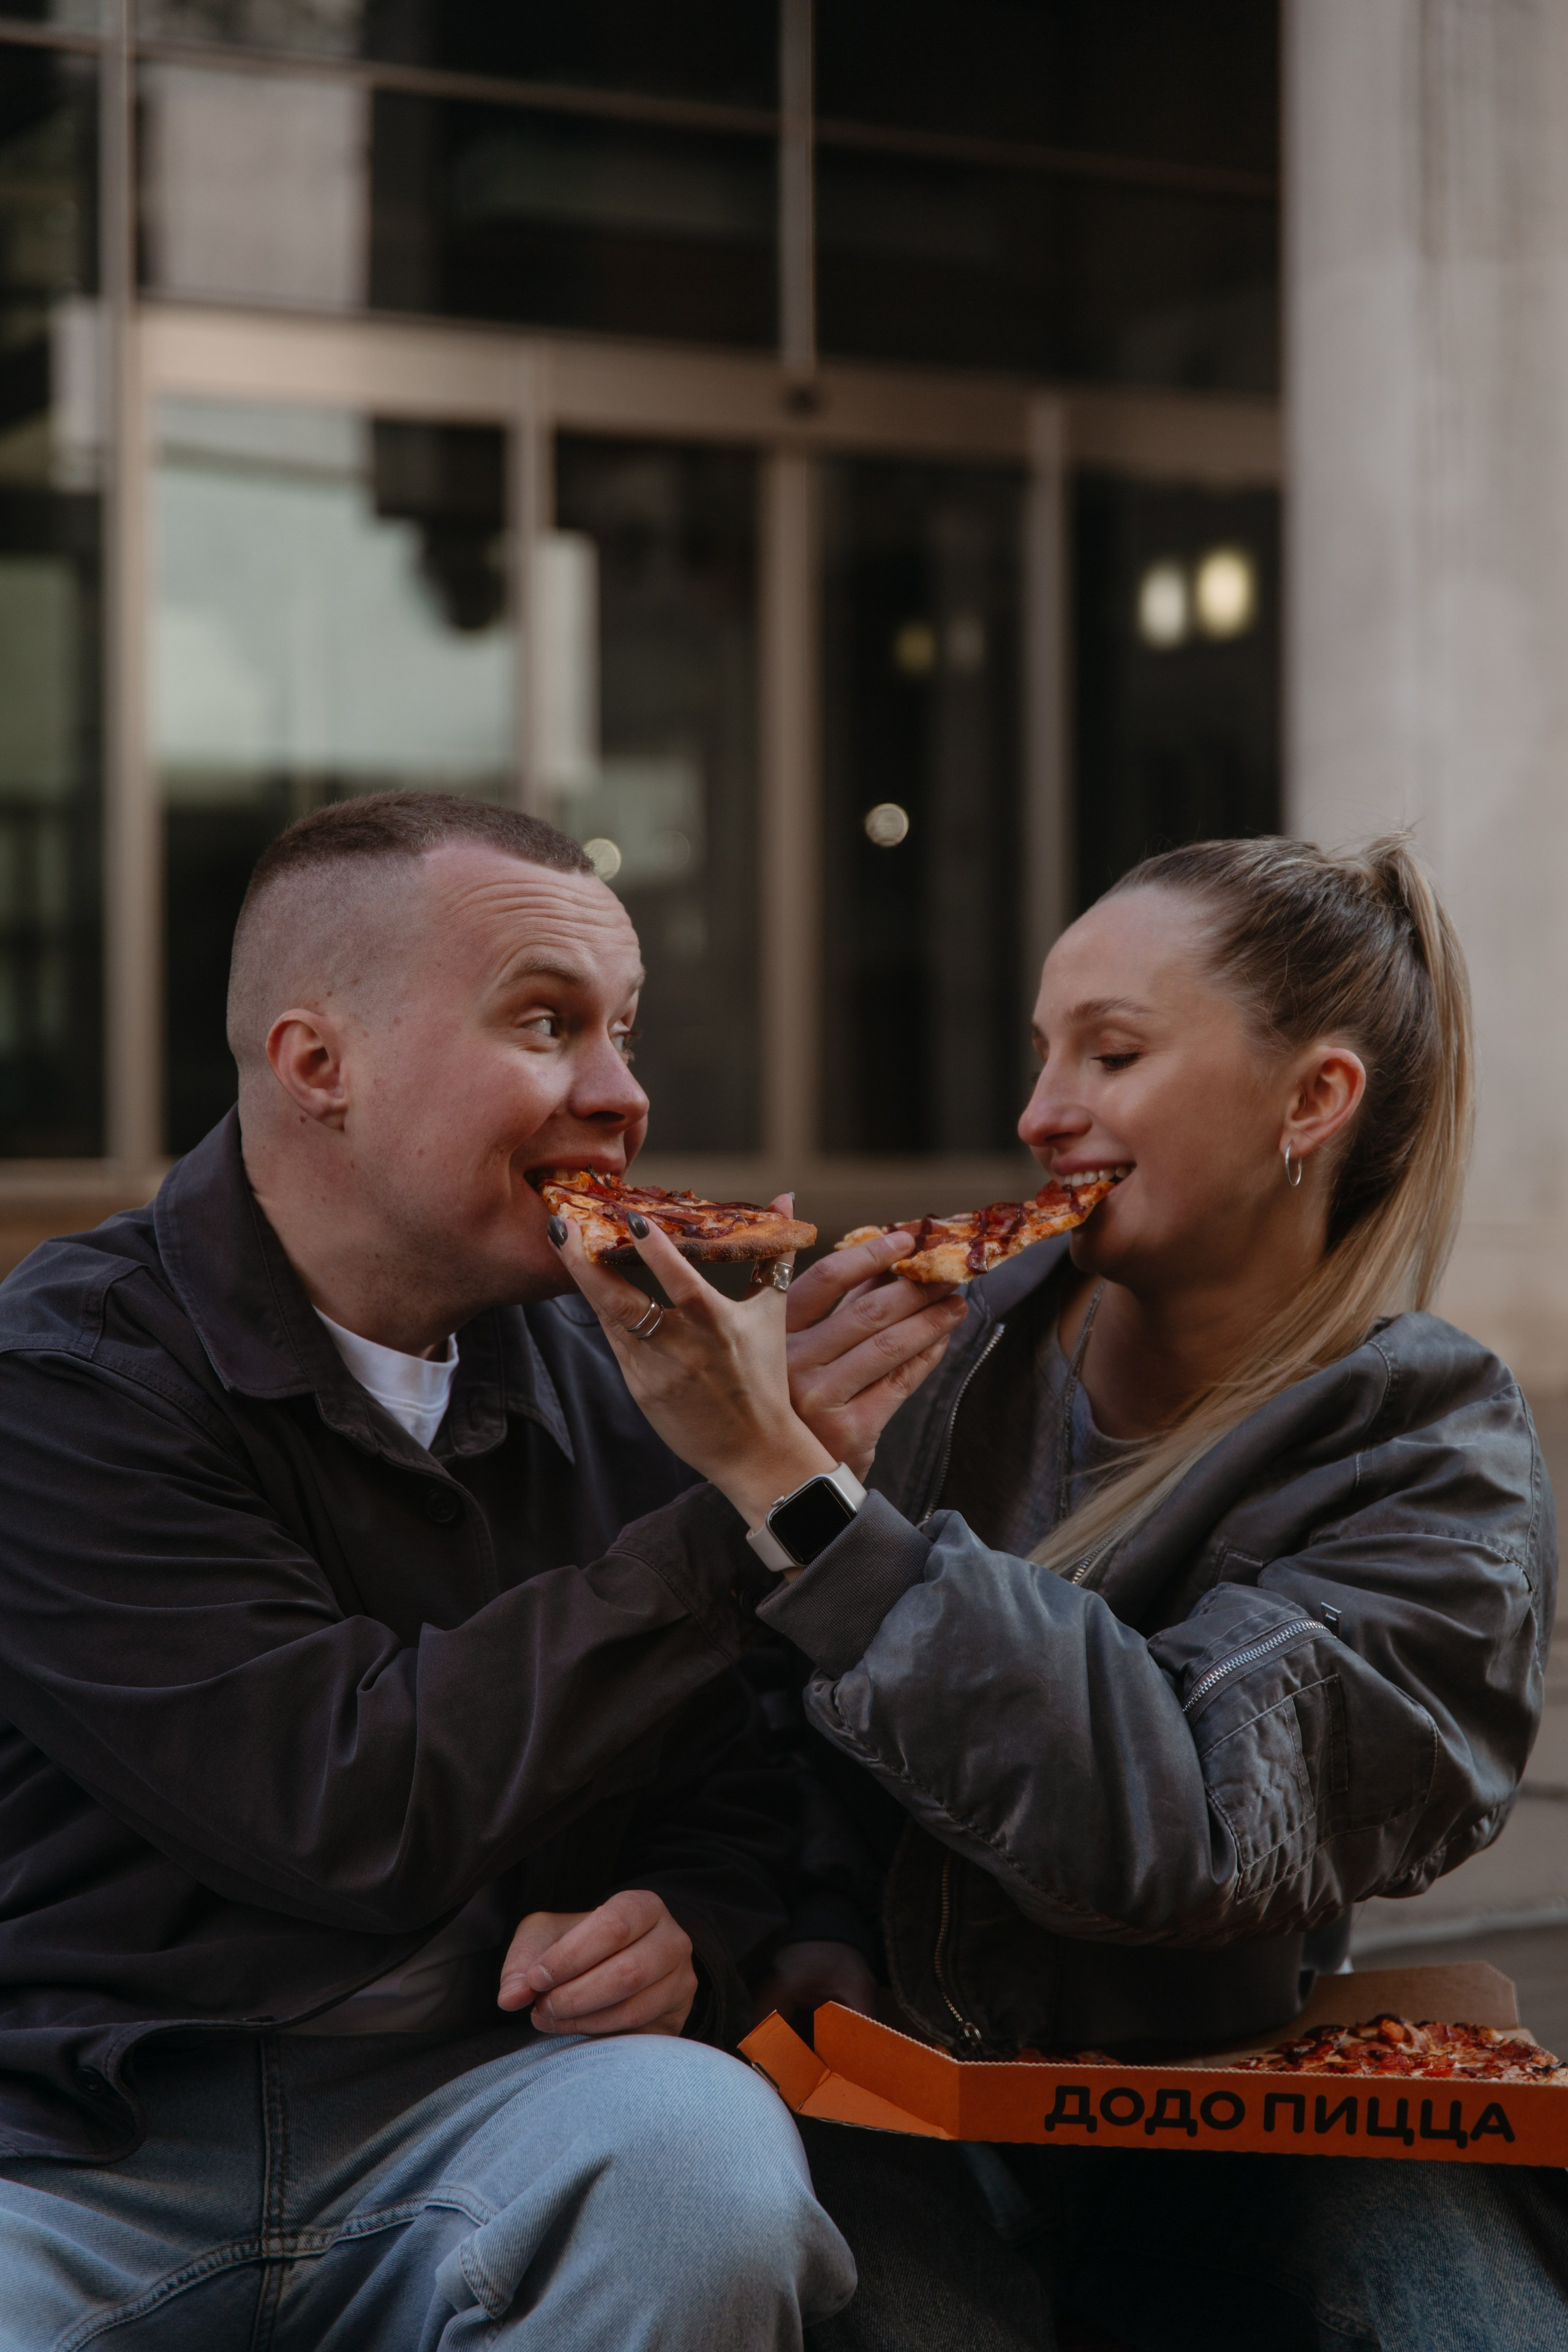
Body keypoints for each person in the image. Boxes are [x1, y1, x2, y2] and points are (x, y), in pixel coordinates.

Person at [549, 835, 1566, 2351]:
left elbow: (1194, 1824)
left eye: (1113, 1053)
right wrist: (785, 1908)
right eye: (1041, 1053)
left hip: (1228, 2112)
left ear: (1310, 1101)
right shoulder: (943, 1350)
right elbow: (740, 1713)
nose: (1039, 1113)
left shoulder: (1429, 1454)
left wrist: (803, 1501)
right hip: (883, 2094)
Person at [0, 791, 963, 2351]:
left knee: (702, 2156)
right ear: (319, 1066)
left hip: (480, 2107)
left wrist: (684, 1927)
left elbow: (732, 1782)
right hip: (74, 2155)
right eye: (545, 1023)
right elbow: (340, 1805)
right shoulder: (62, 1381)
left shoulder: (624, 1371)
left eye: (623, 1031)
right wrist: (743, 1502)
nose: (621, 1093)